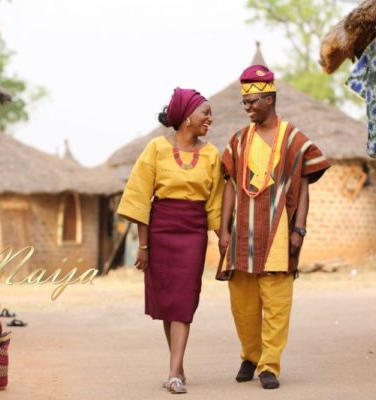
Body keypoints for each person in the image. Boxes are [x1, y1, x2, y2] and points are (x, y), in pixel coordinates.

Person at [218, 65, 330, 390]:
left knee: (277, 300)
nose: (247, 107)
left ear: (269, 98)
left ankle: (270, 365)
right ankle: (250, 355)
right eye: (245, 103)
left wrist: (300, 230)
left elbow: (305, 186)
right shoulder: (238, 141)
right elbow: (228, 186)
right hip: (241, 232)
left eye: (253, 101)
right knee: (242, 301)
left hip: (278, 230)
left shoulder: (294, 139)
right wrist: (223, 229)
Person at [117, 87, 224, 394]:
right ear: (187, 117)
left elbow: (215, 199)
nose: (210, 119)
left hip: (193, 231)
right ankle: (177, 367)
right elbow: (139, 197)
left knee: (184, 300)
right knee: (168, 302)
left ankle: (174, 372)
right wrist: (144, 245)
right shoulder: (155, 149)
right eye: (205, 113)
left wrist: (222, 237)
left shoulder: (211, 154)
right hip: (161, 229)